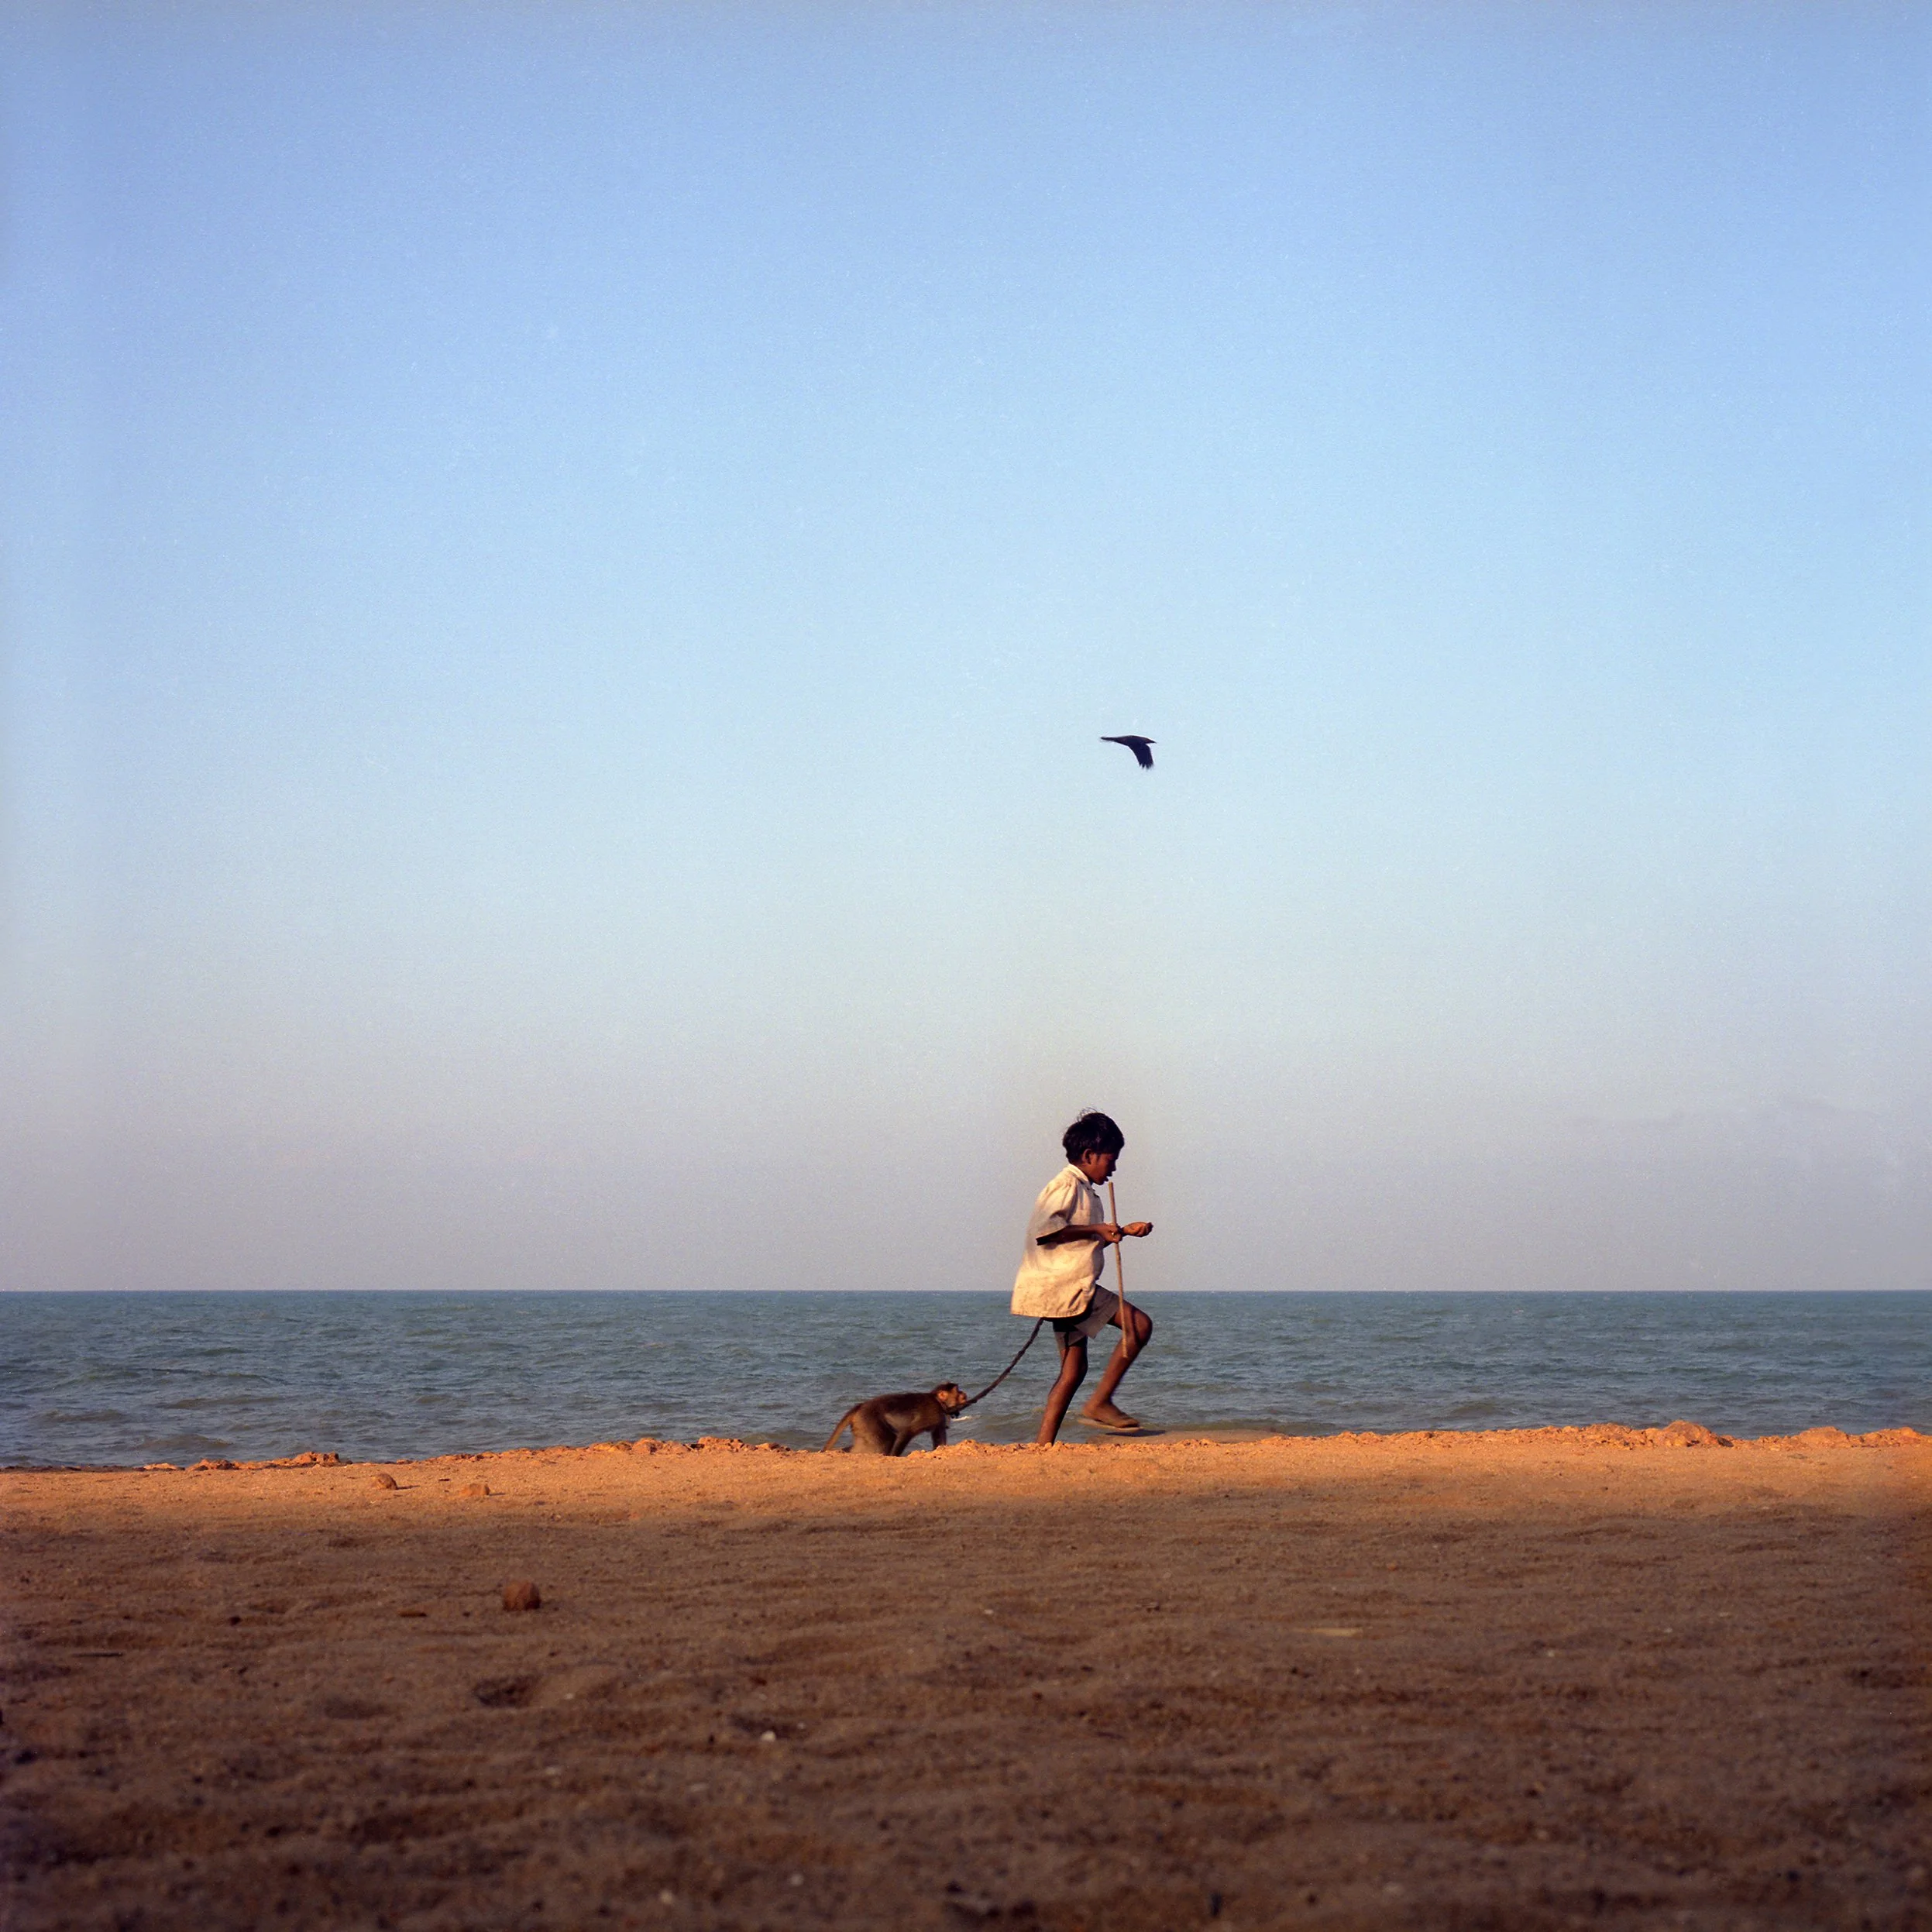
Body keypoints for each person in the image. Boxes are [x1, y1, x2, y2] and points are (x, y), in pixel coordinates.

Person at [1011, 1109, 1154, 1445]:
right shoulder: (1065, 1185)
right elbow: (1045, 1232)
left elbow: (1077, 1236)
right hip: (1067, 1287)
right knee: (1140, 1326)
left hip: (1065, 1289)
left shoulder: (1084, 1189)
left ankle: (1042, 1445)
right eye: (1110, 1159)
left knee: (1074, 1371)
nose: (1114, 1167)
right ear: (1089, 1156)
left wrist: (1121, 1231)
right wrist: (1095, 1229)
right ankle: (1100, 1402)